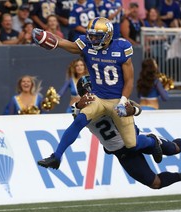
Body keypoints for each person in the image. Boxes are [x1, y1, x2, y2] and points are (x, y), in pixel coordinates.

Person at [32, 17, 161, 169]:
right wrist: (49, 39)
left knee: (132, 144)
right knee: (79, 121)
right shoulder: (86, 45)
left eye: (96, 36)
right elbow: (63, 43)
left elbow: (129, 81)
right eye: (90, 35)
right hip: (98, 97)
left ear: (108, 36)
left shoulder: (122, 48)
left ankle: (152, 140)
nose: (92, 39)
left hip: (116, 100)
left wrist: (123, 101)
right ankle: (56, 157)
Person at [49, 75, 181, 189]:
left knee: (173, 149)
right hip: (121, 152)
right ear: (82, 95)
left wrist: (132, 110)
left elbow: (135, 107)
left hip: (136, 139)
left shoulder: (110, 98)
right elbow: (75, 122)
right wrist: (77, 104)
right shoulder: (79, 109)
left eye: (93, 91)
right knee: (155, 183)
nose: (92, 95)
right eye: (88, 93)